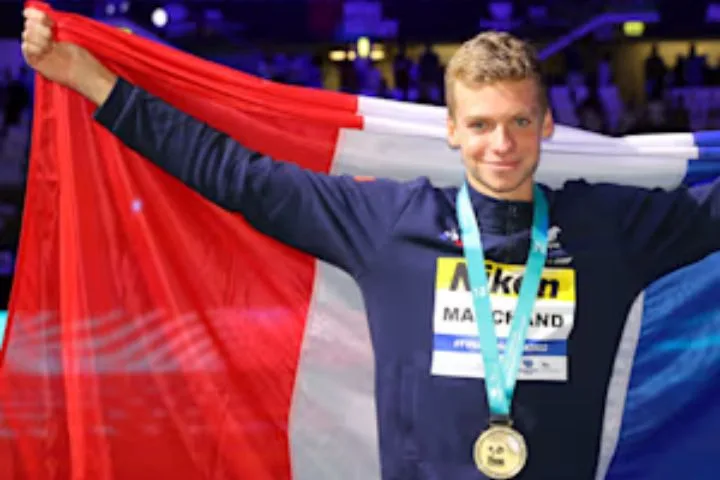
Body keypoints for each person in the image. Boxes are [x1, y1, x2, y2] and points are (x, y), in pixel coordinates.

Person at [20, 7, 720, 480]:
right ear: (452, 130)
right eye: (479, 124)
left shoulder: (609, 229)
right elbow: (241, 178)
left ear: (547, 128)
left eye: (519, 122)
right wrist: (93, 82)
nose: (500, 144)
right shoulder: (391, 221)